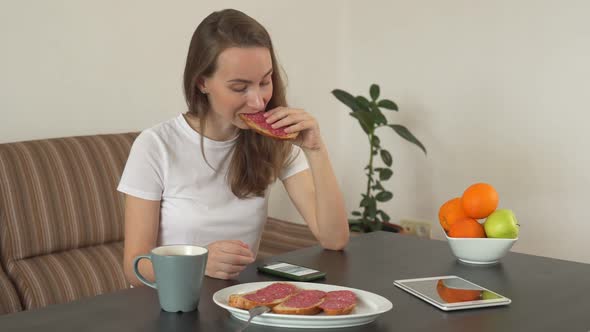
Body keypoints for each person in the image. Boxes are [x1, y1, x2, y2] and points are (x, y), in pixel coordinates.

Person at [119, 9, 349, 286]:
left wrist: (316, 150)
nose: (258, 102)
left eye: (265, 81)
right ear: (202, 82)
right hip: (171, 303)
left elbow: (333, 239)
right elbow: (135, 266)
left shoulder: (272, 142)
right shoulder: (156, 145)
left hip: (238, 301)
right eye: (240, 87)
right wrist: (198, 263)